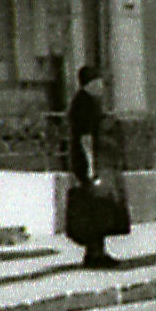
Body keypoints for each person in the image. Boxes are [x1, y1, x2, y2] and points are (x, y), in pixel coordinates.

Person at [59, 60, 127, 269]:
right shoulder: (85, 103)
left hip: (86, 161)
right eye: (98, 82)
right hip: (87, 161)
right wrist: (91, 166)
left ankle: (96, 251)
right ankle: (95, 254)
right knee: (96, 206)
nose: (101, 87)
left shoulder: (85, 101)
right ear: (89, 83)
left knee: (96, 206)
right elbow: (86, 137)